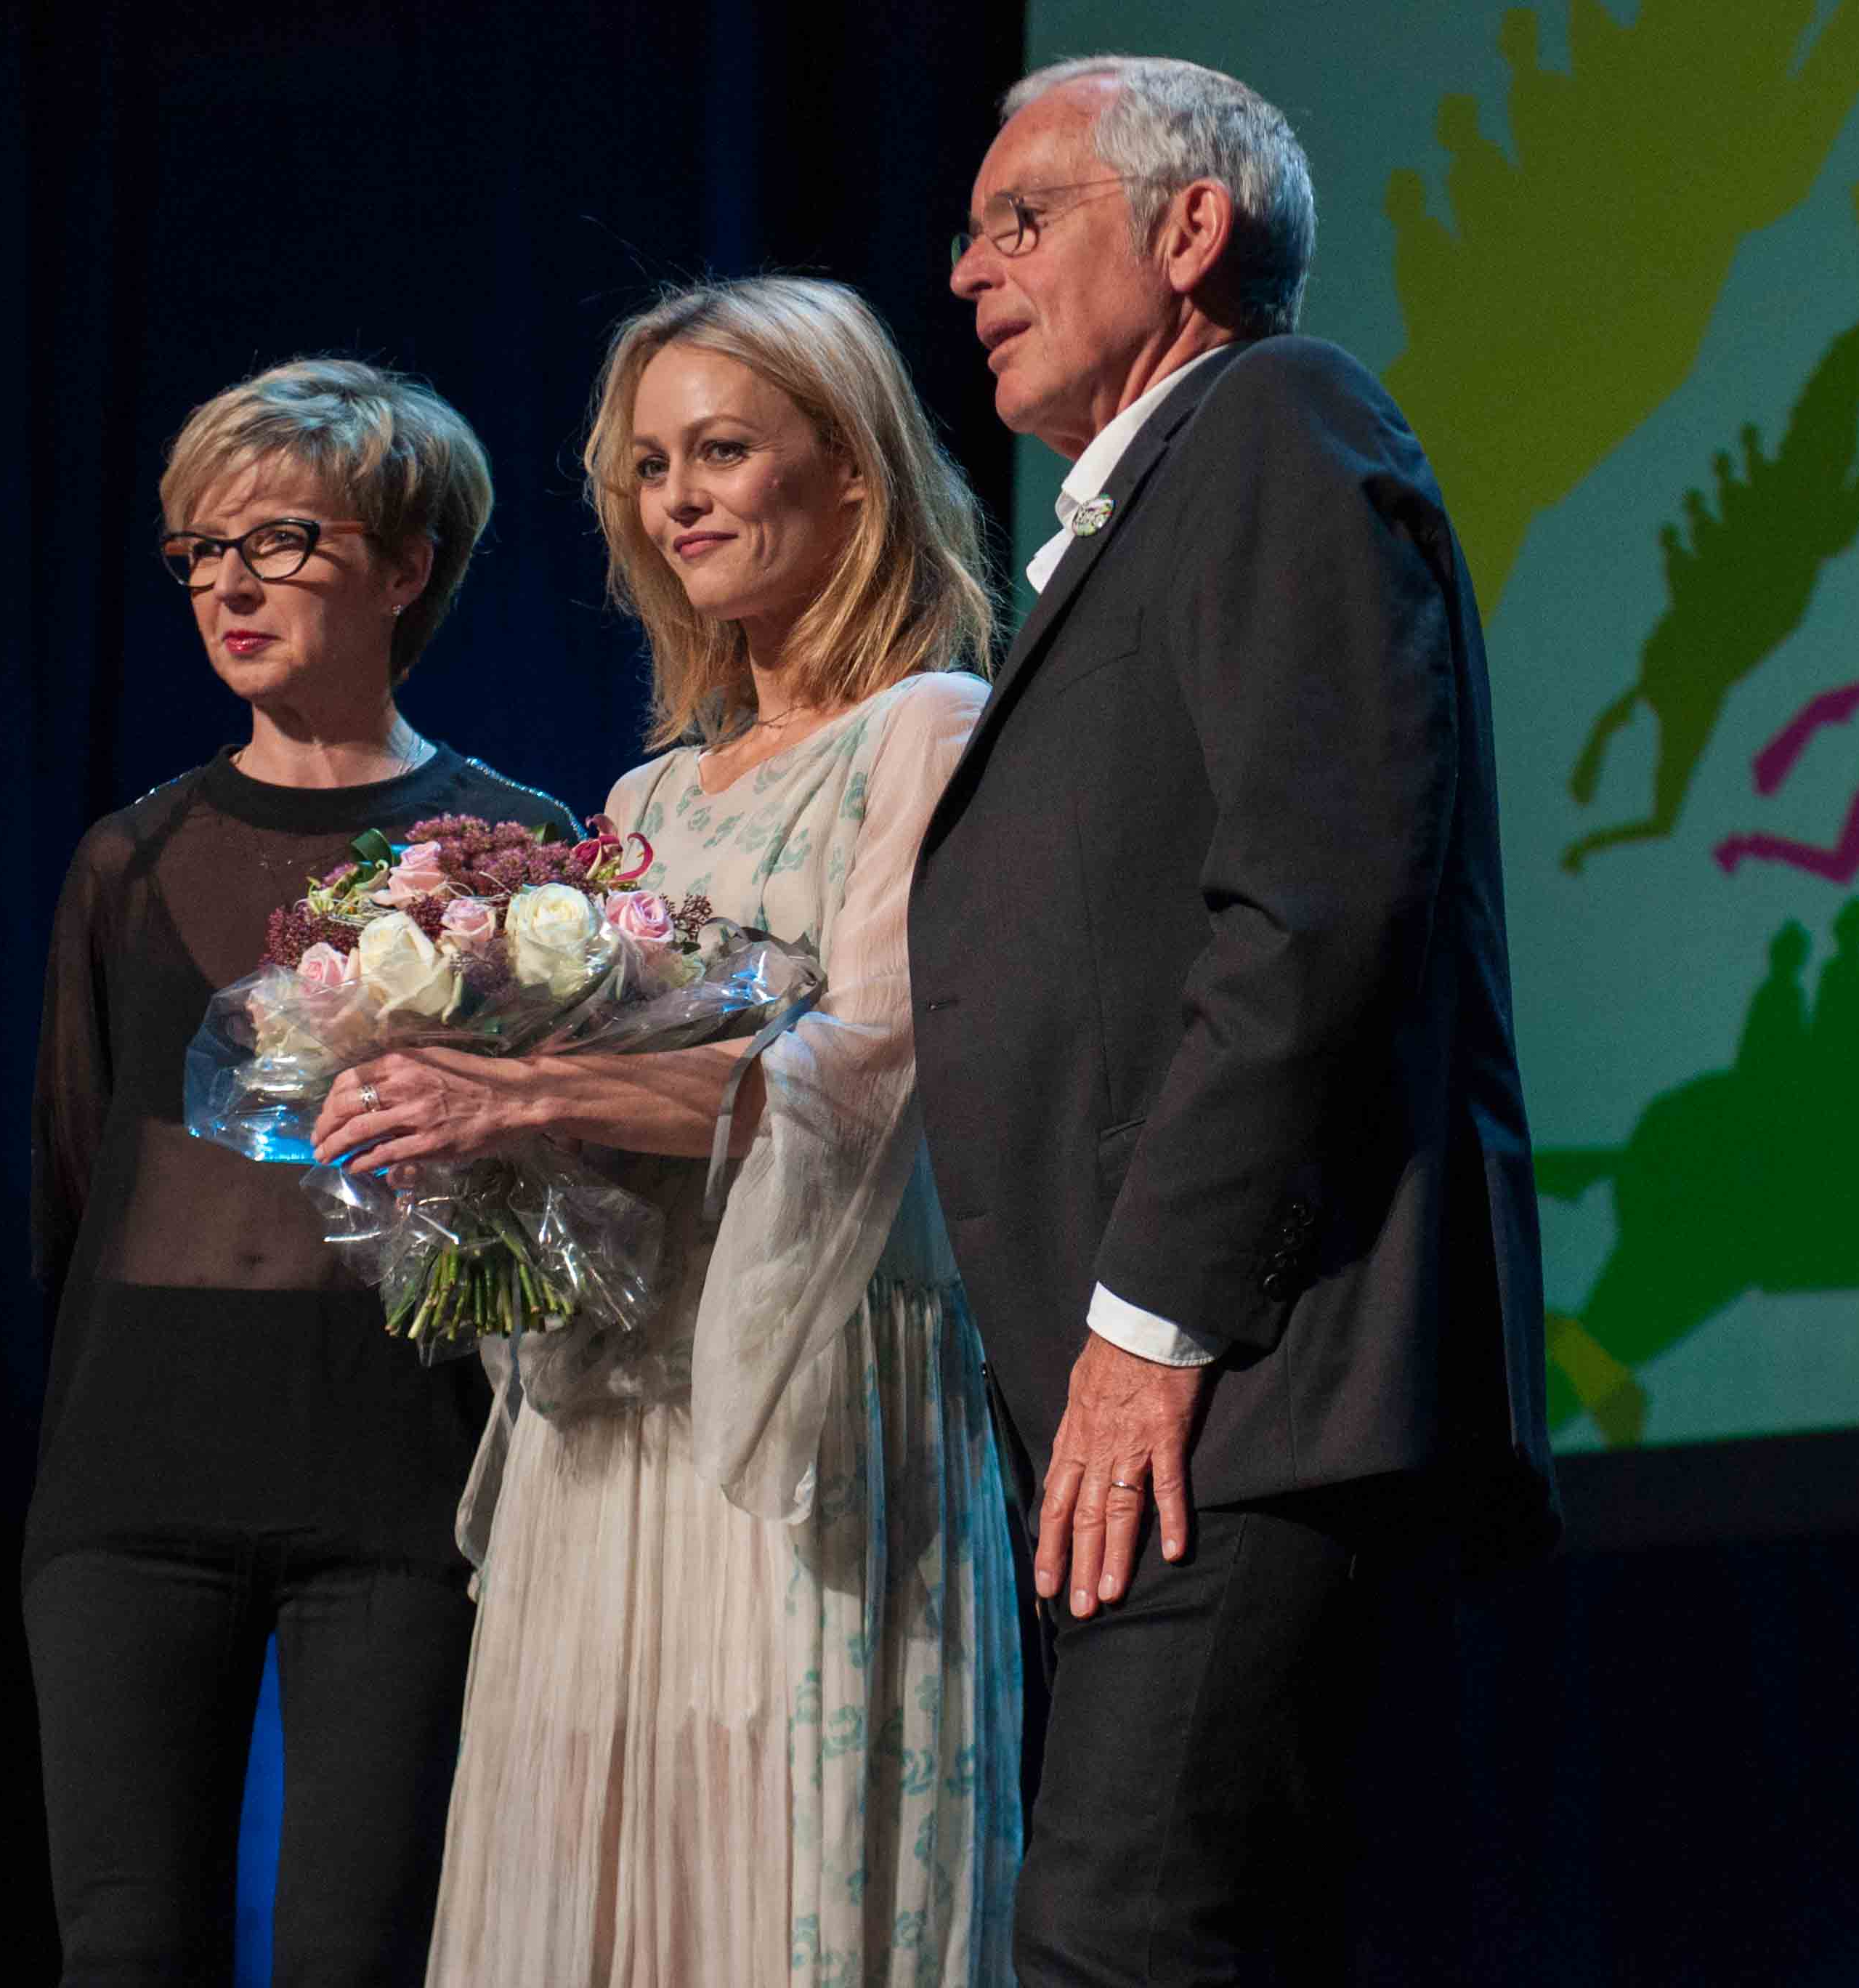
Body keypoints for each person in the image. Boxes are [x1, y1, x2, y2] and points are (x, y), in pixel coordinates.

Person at [914, 55, 1560, 1981]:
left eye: (1020, 221)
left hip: (1238, 1397)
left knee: (1123, 1941)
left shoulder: (1274, 422)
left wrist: (1149, 1327)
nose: (966, 273)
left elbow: (1312, 909)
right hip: (1174, 1416)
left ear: (1186, 232)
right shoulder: (1161, 501)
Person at [310, 277, 1018, 1986]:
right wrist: (426, 1106)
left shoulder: (927, 735)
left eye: (723, 451)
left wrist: (528, 1087)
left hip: (810, 1418)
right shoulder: (635, 805)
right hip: (615, 1423)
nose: (679, 497)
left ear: (850, 474)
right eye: (646, 466)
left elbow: (868, 1075)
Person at [28, 357, 579, 1981]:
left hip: (400, 1471)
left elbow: (547, 1203)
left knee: (363, 1949)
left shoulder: (517, 851)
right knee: (124, 1948)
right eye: (201, 550)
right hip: (132, 1475)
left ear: (405, 567)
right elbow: (74, 1179)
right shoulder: (125, 861)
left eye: (279, 538)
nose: (230, 584)